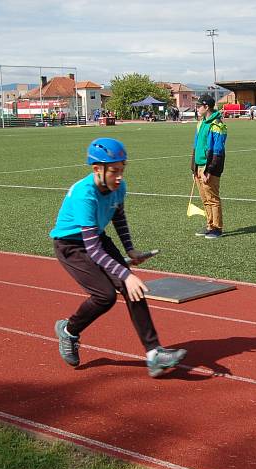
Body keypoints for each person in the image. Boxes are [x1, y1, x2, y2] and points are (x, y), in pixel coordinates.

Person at [50, 137, 187, 378]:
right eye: (114, 171)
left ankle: (154, 354)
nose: (120, 176)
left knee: (132, 288)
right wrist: (126, 274)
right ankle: (69, 331)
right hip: (71, 245)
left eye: (122, 170)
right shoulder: (85, 195)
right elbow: (92, 250)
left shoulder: (118, 187)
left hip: (95, 238)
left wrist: (130, 250)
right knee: (104, 296)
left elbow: (118, 217)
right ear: (97, 169)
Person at [190, 94, 228, 239]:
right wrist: (194, 168)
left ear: (206, 107)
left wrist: (209, 170)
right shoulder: (200, 123)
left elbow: (218, 151)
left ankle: (217, 228)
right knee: (205, 199)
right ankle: (209, 225)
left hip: (209, 167)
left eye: (199, 106)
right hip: (199, 166)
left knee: (213, 198)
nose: (197, 108)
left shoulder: (217, 125)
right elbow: (195, 146)